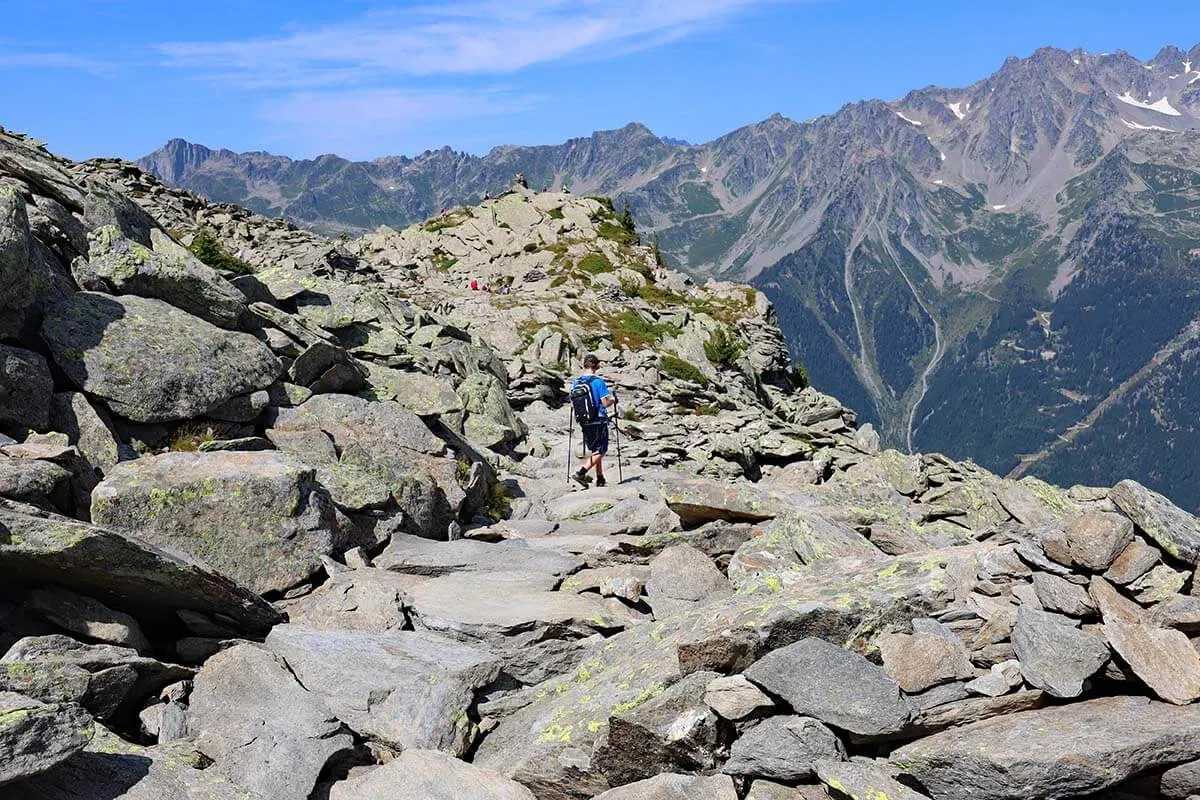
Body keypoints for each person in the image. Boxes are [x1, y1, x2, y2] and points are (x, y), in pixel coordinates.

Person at [571, 354, 615, 488]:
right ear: (597, 366)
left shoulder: (576, 382)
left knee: (595, 449)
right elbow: (605, 402)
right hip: (598, 419)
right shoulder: (599, 382)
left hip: (584, 420)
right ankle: (581, 472)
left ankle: (600, 477)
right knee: (602, 450)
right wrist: (613, 400)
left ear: (584, 365)